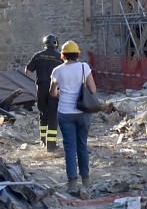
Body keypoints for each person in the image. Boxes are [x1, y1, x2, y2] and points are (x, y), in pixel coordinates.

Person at [49, 40, 97, 199]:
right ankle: (86, 179)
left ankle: (72, 183)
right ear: (77, 54)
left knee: (70, 147)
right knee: (82, 144)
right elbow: (93, 89)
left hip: (65, 113)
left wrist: (61, 92)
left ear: (62, 55)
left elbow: (52, 93)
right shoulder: (84, 67)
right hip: (83, 112)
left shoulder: (57, 71)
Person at [23, 34, 62, 152]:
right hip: (54, 89)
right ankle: (51, 144)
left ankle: (43, 140)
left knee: (43, 114)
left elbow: (28, 72)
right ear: (56, 44)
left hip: (41, 88)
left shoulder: (38, 56)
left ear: (44, 44)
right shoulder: (60, 57)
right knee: (52, 115)